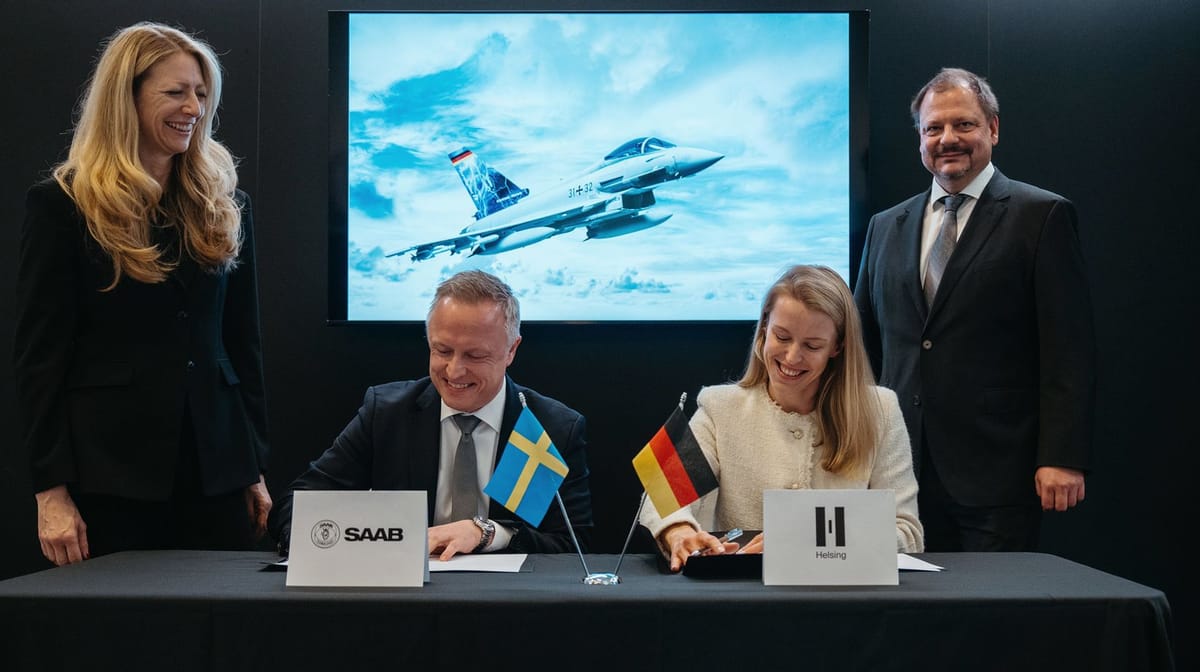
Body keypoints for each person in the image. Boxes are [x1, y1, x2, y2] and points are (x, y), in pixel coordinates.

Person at [13, 22, 271, 566]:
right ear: (124, 98)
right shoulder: (62, 206)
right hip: (109, 477)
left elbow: (241, 346)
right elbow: (40, 361)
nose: (193, 108)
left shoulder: (225, 203)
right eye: (175, 92)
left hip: (217, 474)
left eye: (201, 93)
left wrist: (251, 465)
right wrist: (49, 490)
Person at [854, 68, 1094, 552]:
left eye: (963, 125)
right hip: (897, 472)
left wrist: (1062, 456)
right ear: (920, 139)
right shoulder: (885, 226)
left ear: (993, 129)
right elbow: (862, 345)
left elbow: (1069, 349)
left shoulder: (1041, 216)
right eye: (933, 128)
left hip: (998, 477)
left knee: (993, 623)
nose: (948, 139)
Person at [271, 270, 592, 560]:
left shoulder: (548, 428)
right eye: (442, 351)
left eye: (474, 355)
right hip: (402, 603)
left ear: (512, 350)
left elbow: (572, 547)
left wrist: (488, 533)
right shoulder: (386, 414)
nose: (454, 370)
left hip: (509, 609)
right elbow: (296, 507)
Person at [640, 265, 923, 572]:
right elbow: (660, 495)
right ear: (763, 328)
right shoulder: (718, 406)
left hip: (844, 600)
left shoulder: (881, 409)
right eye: (782, 336)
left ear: (838, 347)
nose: (791, 357)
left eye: (812, 346)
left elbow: (907, 533)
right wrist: (679, 532)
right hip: (745, 600)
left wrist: (805, 541)